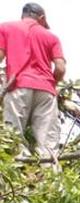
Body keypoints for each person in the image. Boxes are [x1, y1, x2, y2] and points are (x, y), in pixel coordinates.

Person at [0, 4, 65, 157]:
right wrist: (51, 84)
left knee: (14, 136)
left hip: (18, 86)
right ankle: (49, 173)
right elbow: (61, 68)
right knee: (48, 142)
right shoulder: (51, 37)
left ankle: (20, 168)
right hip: (46, 92)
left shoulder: (5, 28)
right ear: (41, 18)